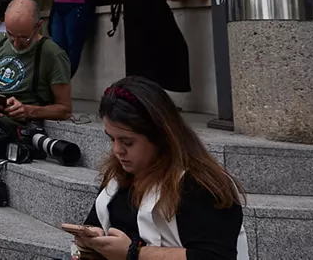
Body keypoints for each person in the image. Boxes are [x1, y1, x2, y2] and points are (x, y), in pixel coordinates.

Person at [67, 76, 248, 260]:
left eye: (127, 142)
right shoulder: (117, 177)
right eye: (112, 139)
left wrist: (133, 254)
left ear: (160, 137)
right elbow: (93, 225)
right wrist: (88, 243)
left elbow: (216, 256)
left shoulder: (201, 185)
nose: (117, 150)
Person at [0, 0, 72, 131]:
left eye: (23, 37)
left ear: (38, 26)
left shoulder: (53, 55)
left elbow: (65, 110)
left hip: (14, 127)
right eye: (11, 34)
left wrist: (28, 111)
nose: (16, 43)